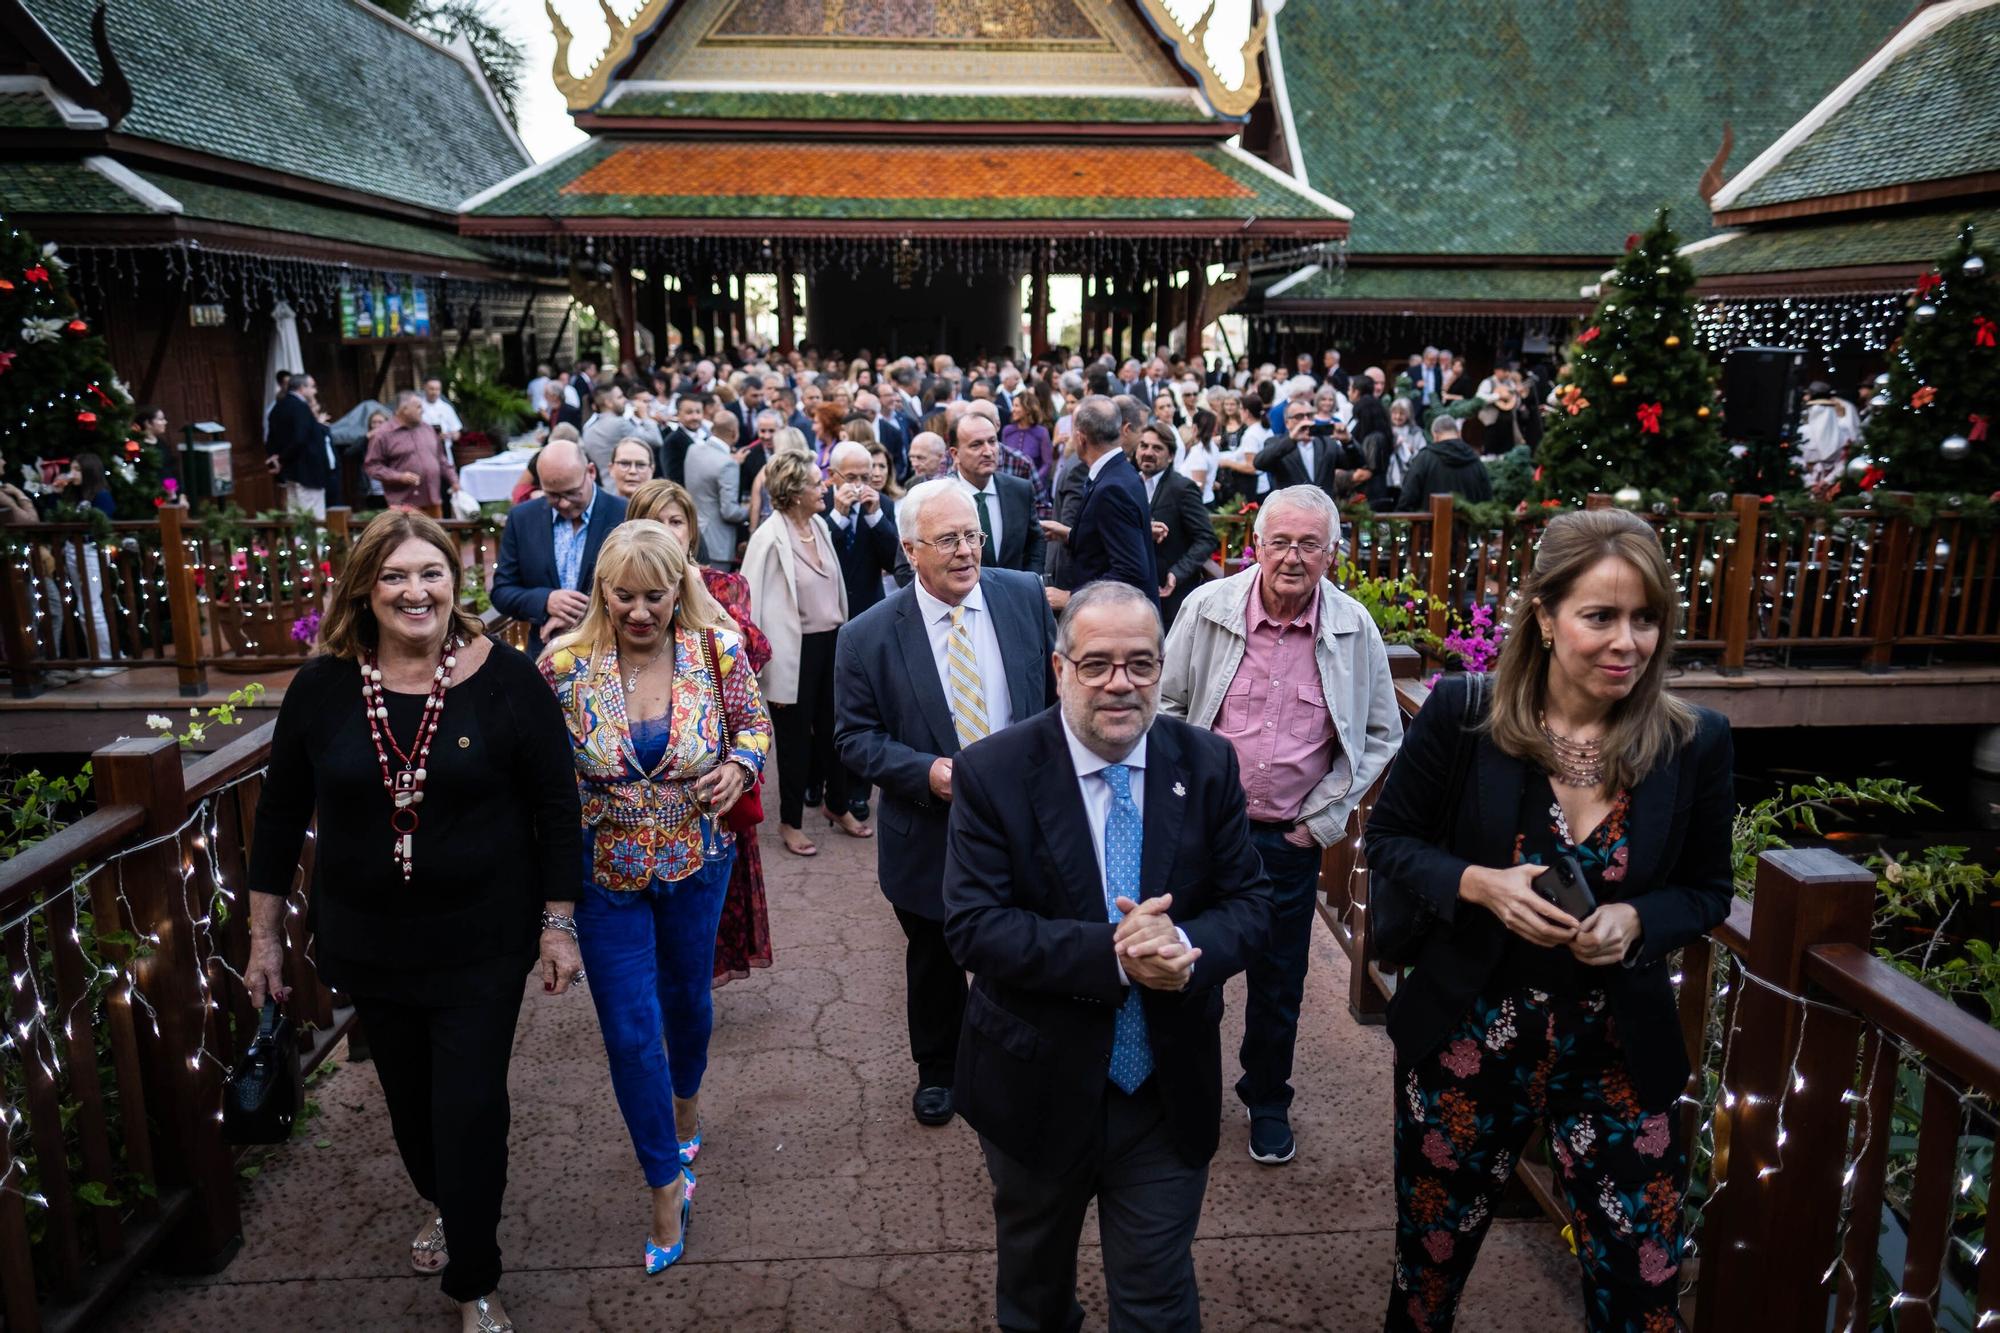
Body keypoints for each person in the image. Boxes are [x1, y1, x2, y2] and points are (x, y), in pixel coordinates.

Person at [1365, 508, 1733, 1332]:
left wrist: (1638, 917)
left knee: (1643, 1290)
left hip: (1617, 1051)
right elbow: (1389, 839)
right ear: (1544, 614)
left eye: (1645, 619)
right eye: (1600, 616)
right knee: (1428, 1274)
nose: (1626, 643)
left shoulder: (1694, 741)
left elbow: (1710, 890)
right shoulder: (1464, 714)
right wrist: (1479, 884)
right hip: (1468, 1036)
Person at [242, 511, 579, 1333]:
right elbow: (282, 814)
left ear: (453, 581)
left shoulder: (508, 678)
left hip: (482, 939)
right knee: (409, 1103)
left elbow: (556, 806)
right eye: (395, 575)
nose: (415, 590)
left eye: (431, 571)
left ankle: (475, 1277)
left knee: (468, 1106)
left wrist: (558, 920)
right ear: (365, 587)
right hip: (369, 943)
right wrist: (263, 937)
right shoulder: (323, 685)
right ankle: (440, 1197)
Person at [942, 580, 1274, 1333]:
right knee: (1034, 1297)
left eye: (1140, 663)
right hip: (1034, 1084)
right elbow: (974, 925)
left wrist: (1184, 945)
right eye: (1095, 664)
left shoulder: (1209, 762)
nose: (1120, 683)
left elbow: (1253, 907)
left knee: (1157, 1302)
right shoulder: (993, 771)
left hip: (1163, 1090)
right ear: (1058, 669)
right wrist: (1119, 957)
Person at [540, 521, 770, 1276]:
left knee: (687, 1003)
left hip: (699, 862)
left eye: (656, 595)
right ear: (602, 591)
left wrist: (738, 765)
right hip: (603, 875)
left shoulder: (717, 647)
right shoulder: (563, 666)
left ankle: (687, 1102)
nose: (640, 611)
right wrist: (552, 912)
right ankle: (665, 1181)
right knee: (630, 1031)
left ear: (681, 589)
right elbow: (538, 778)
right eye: (625, 595)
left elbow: (755, 725)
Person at [1159, 484, 1401, 1166]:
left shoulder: (1353, 628)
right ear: (1255, 546)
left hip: (1287, 838)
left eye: (1309, 545)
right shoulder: (1207, 609)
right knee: (1189, 970)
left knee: (1278, 983)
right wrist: (1184, 799)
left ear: (1331, 553)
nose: (1293, 557)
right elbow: (1166, 704)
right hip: (1203, 834)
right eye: (1280, 542)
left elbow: (1382, 733)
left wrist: (1319, 822)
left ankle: (1267, 1099)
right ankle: (1187, 1096)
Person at [834, 478, 1057, 1128]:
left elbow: (1050, 695)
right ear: (910, 549)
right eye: (948, 540)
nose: (966, 551)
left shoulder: (1021, 596)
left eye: (972, 536)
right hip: (929, 830)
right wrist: (927, 771)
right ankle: (940, 1068)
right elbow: (855, 737)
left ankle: (1022, 1060)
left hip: (1026, 822)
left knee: (1025, 947)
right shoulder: (867, 635)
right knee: (933, 956)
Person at [624, 481, 776, 986]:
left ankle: (698, 977)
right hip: (642, 763)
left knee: (716, 874)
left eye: (675, 521)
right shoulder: (624, 592)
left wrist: (694, 592)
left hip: (717, 755)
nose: (666, 532)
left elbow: (753, 653)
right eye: (653, 522)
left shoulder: (724, 586)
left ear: (690, 529)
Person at [742, 450, 865, 854]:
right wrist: (754, 664)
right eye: (816, 482)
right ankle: (790, 822)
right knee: (794, 742)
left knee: (837, 731)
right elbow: (749, 602)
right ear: (794, 493)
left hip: (833, 644)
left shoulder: (820, 526)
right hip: (792, 653)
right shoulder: (767, 537)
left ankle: (837, 805)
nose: (824, 486)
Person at [491, 439, 628, 660]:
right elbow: (501, 592)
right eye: (553, 495)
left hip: (612, 653)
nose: (564, 503)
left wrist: (582, 616)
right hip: (547, 656)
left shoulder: (624, 514)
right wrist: (545, 601)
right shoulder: (523, 518)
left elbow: (641, 589)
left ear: (590, 472)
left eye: (572, 492)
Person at [1049, 394, 1156, 610]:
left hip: (1116, 624)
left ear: (1081, 438)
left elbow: (1131, 571)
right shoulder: (1119, 472)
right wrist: (1071, 535)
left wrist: (1071, 597)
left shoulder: (1112, 488)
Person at [1134, 423, 1218, 628]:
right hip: (1135, 592)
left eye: (1157, 448)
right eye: (1143, 446)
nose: (1148, 453)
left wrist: (1177, 573)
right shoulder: (1131, 484)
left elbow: (1206, 538)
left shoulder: (1181, 488)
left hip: (1170, 599)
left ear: (1171, 456)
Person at [1257, 396, 1369, 500]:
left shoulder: (1327, 443)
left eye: (1309, 415)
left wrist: (1348, 441)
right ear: (1287, 423)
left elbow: (1357, 463)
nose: (1306, 420)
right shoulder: (1277, 443)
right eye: (1299, 417)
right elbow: (1260, 463)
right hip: (1291, 512)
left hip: (1322, 512)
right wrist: (1291, 439)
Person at [366, 390, 458, 514]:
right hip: (403, 505)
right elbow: (372, 466)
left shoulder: (428, 429)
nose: (423, 410)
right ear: (404, 409)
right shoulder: (383, 434)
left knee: (434, 533)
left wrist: (454, 481)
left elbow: (441, 459)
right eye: (418, 407)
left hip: (433, 501)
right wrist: (399, 477)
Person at [684, 413, 750, 571]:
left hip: (692, 535)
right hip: (717, 545)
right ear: (734, 433)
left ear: (713, 429)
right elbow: (730, 512)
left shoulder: (693, 450)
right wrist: (751, 509)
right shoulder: (728, 464)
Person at [265, 371, 335, 517]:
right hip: (308, 471)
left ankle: (298, 541)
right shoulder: (300, 407)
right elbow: (300, 438)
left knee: (295, 515)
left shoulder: (278, 407)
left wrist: (277, 459)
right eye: (312, 386)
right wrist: (282, 458)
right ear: (302, 388)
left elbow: (271, 438)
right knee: (313, 517)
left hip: (290, 471)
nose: (314, 391)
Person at [1396, 415, 1493, 514]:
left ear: (1435, 435)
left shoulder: (1424, 459)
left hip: (1429, 527)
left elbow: (1407, 499)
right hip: (1468, 527)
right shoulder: (1475, 462)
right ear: (1458, 434)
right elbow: (1487, 502)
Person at [581, 383, 637, 478]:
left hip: (605, 485)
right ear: (608, 403)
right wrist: (645, 416)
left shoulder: (588, 428)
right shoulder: (620, 423)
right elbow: (656, 440)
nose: (625, 400)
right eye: (620, 397)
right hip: (626, 483)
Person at [1001, 388, 1053, 484]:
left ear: (1028, 408)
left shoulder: (1041, 432)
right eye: (1013, 405)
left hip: (1033, 488)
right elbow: (1002, 459)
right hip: (1009, 485)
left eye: (1016, 406)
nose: (1012, 410)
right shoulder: (1007, 430)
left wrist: (1033, 480)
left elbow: (1047, 463)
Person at [1387, 398, 1427, 506]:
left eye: (1402, 414)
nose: (1398, 417)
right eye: (1395, 413)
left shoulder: (1415, 432)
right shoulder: (1387, 430)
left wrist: (1412, 450)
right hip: (1389, 476)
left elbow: (1423, 453)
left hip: (1409, 475)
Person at [421, 378, 463, 462]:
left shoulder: (446, 408)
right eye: (431, 389)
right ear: (425, 388)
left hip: (444, 452)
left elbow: (457, 434)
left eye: (437, 389)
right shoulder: (418, 406)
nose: (434, 392)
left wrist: (448, 435)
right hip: (423, 452)